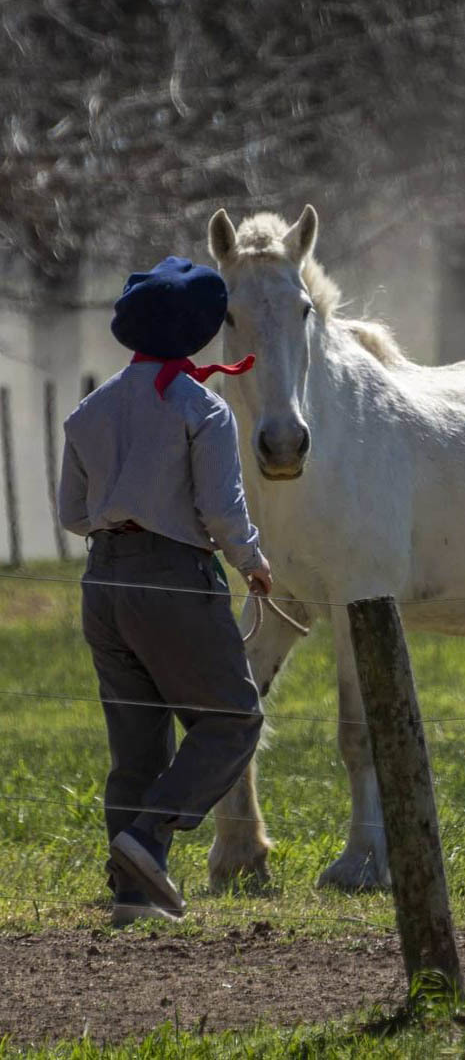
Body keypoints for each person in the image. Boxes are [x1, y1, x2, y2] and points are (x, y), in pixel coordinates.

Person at [58, 255, 272, 926]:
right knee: (234, 717)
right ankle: (149, 837)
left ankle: (133, 894)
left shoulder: (88, 411)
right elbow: (220, 506)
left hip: (103, 583)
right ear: (199, 331)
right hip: (174, 579)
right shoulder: (200, 407)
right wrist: (252, 561)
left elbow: (71, 513)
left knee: (137, 745)